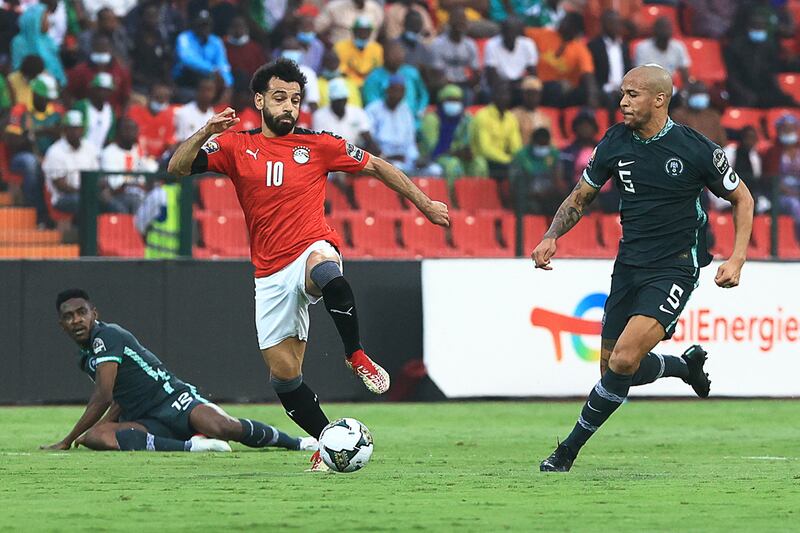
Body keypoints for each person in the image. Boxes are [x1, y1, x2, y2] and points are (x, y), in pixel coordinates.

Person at [167, 59, 449, 471]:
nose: (289, 107)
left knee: (326, 270)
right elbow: (177, 166)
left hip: (309, 247)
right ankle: (327, 440)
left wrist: (424, 204)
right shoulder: (235, 147)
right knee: (284, 378)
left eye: (296, 100)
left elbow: (376, 165)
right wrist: (207, 131)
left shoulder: (320, 145)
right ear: (260, 101)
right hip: (269, 273)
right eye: (280, 98)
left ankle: (355, 355)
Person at [532, 65, 754, 472]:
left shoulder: (696, 148)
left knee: (622, 363)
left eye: (632, 94)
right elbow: (581, 197)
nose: (622, 102)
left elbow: (742, 198)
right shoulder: (615, 141)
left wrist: (736, 257)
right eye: (622, 94)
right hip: (628, 265)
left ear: (659, 99)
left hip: (673, 268)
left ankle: (567, 451)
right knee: (614, 368)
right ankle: (682, 366)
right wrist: (551, 235)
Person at [44, 289, 317, 454]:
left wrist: (67, 440)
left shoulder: (107, 337)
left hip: (173, 400)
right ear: (61, 325)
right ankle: (194, 446)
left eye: (81, 312)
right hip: (144, 418)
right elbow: (116, 397)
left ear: (94, 313)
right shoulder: (86, 357)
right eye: (69, 316)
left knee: (223, 427)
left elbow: (102, 397)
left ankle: (298, 443)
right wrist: (99, 429)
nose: (76, 320)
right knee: (96, 436)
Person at [723, 9, 798, 109]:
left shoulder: (769, 46)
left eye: (761, 28)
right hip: (743, 90)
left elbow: (772, 72)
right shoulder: (735, 47)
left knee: (787, 101)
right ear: (748, 28)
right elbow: (732, 77)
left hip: (764, 90)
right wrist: (745, 93)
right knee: (748, 100)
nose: (759, 31)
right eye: (756, 27)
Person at [419, 84, 488, 184]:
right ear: (442, 102)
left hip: (459, 156)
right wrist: (455, 152)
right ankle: (451, 197)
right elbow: (433, 148)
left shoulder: (466, 119)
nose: (454, 103)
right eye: (450, 100)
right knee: (452, 165)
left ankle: (475, 196)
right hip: (436, 157)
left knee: (479, 163)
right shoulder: (432, 119)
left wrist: (468, 152)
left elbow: (470, 142)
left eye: (457, 100)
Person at [526, 11, 597, 107]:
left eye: (567, 22)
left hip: (565, 93)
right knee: (553, 88)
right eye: (563, 20)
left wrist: (592, 96)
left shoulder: (580, 49)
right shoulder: (544, 34)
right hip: (540, 87)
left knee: (583, 92)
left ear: (575, 30)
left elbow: (588, 74)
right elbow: (521, 30)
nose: (562, 23)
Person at [41, 110, 100, 216]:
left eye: (78, 128)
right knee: (84, 201)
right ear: (64, 130)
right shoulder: (55, 151)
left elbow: (95, 176)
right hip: (63, 198)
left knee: (110, 202)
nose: (75, 132)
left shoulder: (90, 148)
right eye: (71, 129)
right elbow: (60, 185)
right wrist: (85, 192)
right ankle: (86, 231)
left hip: (86, 194)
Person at [471, 81, 523, 198]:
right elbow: (485, 149)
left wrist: (517, 159)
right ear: (494, 96)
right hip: (484, 160)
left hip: (504, 161)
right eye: (501, 94)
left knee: (522, 168)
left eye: (507, 94)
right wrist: (508, 160)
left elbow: (516, 147)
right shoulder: (482, 116)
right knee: (512, 169)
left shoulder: (511, 118)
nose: (504, 97)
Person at [100, 118, 157, 214]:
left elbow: (152, 170)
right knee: (135, 201)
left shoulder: (138, 151)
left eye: (134, 129)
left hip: (140, 195)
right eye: (127, 129)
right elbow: (116, 185)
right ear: (118, 132)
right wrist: (138, 185)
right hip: (118, 197)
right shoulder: (109, 152)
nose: (132, 133)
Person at [362, 41, 428, 124]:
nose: (397, 57)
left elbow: (423, 94)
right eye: (393, 54)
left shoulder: (411, 73)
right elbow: (371, 102)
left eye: (400, 54)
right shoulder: (374, 77)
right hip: (384, 121)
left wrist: (419, 110)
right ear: (384, 56)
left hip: (412, 120)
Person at [66, 33, 132, 113]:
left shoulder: (121, 72)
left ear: (110, 49)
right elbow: (68, 94)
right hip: (86, 116)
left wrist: (121, 120)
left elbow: (126, 98)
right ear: (93, 48)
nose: (101, 51)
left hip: (112, 117)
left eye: (104, 48)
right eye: (98, 48)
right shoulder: (79, 71)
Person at [172, 10, 233, 97]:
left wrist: (228, 83)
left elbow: (222, 64)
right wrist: (211, 69)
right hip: (186, 79)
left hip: (209, 79)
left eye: (207, 25)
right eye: (201, 25)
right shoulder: (184, 37)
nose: (204, 28)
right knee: (195, 73)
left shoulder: (216, 41)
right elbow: (187, 59)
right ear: (194, 25)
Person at [510, 127, 566, 214]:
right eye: (540, 144)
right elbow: (515, 183)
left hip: (549, 196)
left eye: (545, 144)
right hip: (528, 197)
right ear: (533, 142)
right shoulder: (521, 156)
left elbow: (558, 179)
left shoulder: (553, 154)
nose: (542, 147)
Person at [312, 77, 377, 152]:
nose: (340, 104)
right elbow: (320, 144)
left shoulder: (357, 112)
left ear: (346, 99)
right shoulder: (319, 116)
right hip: (330, 154)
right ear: (331, 100)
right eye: (337, 101)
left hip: (354, 153)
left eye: (343, 100)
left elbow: (368, 138)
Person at [588, 9, 632, 118]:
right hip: (604, 89)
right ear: (603, 25)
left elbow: (628, 69)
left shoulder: (624, 46)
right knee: (610, 99)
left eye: (617, 23)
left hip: (622, 89)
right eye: (611, 22)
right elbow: (591, 73)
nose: (615, 26)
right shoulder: (594, 46)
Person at [430, 7, 480, 102]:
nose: (459, 23)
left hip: (464, 83)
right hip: (444, 84)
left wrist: (471, 82)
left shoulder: (470, 44)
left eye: (462, 21)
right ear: (449, 22)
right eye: (456, 20)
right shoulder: (438, 43)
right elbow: (437, 72)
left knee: (470, 94)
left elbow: (476, 72)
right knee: (450, 93)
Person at [763, 115, 800, 241]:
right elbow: (771, 179)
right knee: (794, 205)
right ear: (778, 131)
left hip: (798, 191)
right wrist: (792, 192)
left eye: (791, 129)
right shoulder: (772, 152)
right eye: (785, 129)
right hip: (779, 195)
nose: (788, 132)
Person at [10, 2, 66, 86]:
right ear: (34, 21)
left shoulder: (47, 40)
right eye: (45, 18)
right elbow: (18, 69)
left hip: (54, 85)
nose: (48, 22)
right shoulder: (19, 42)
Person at [125, 82, 177, 163]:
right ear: (149, 96)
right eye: (158, 97)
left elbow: (171, 143)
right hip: (135, 157)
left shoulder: (172, 116)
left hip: (158, 162)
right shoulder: (135, 112)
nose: (161, 101)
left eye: (164, 98)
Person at [483, 16, 538, 91]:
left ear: (518, 33)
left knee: (533, 90)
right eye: (507, 31)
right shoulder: (492, 44)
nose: (509, 35)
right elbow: (491, 73)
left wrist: (524, 84)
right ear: (502, 32)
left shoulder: (528, 44)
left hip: (519, 83)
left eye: (513, 32)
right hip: (499, 84)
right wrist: (506, 86)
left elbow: (532, 71)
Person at [633, 17, 690, 87]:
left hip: (670, 88)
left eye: (668, 28)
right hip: (648, 88)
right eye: (662, 28)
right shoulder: (642, 48)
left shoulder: (678, 47)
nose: (665, 31)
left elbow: (685, 74)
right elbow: (639, 76)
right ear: (654, 31)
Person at [671, 80, 726, 147]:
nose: (700, 98)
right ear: (688, 97)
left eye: (703, 95)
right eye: (696, 95)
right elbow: (679, 139)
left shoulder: (713, 115)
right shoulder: (678, 115)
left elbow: (722, 140)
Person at [71, 72, 117, 151]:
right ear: (93, 89)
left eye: (107, 91)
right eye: (100, 90)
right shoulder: (81, 106)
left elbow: (110, 137)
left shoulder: (110, 111)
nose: (104, 93)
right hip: (79, 152)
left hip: (98, 156)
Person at [333, 16, 384, 87]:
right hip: (348, 85)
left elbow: (378, 70)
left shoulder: (377, 48)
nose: (363, 35)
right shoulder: (341, 47)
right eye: (360, 31)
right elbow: (340, 71)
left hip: (370, 86)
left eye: (366, 32)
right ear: (353, 32)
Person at [510, 76, 552, 151]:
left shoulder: (545, 118)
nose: (533, 97)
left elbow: (551, 142)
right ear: (523, 95)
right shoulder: (513, 115)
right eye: (530, 94)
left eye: (536, 94)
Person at [315, 0, 384, 46]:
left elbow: (382, 35)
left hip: (368, 57)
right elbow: (316, 29)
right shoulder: (334, 7)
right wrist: (328, 46)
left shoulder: (376, 9)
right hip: (339, 56)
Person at [225, 15, 267, 83]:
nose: (237, 29)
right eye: (235, 26)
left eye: (240, 26)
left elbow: (261, 70)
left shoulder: (255, 48)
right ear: (229, 29)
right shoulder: (223, 46)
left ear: (246, 28)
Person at [174, 77, 217, 142]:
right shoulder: (183, 113)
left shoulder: (214, 116)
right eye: (203, 90)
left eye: (209, 90)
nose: (206, 94)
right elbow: (180, 141)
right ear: (197, 91)